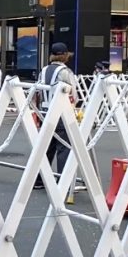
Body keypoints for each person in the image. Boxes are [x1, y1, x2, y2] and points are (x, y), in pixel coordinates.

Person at [33, 43, 77, 190]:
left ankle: (39, 179)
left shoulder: (43, 71)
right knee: (63, 147)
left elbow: (38, 93)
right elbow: (74, 96)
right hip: (61, 114)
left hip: (45, 113)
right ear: (64, 56)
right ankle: (62, 182)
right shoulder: (65, 72)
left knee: (46, 147)